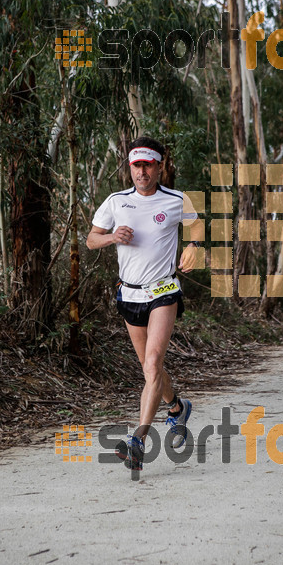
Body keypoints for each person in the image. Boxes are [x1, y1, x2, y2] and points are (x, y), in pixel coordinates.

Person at [86, 136, 202, 472]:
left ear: (159, 166)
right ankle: (177, 408)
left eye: (148, 164)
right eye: (136, 165)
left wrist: (193, 244)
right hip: (130, 293)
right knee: (150, 369)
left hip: (163, 290)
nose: (142, 171)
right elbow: (92, 239)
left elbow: (196, 222)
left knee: (152, 364)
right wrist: (111, 237)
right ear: (129, 167)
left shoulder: (176, 199)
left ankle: (138, 441)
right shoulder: (116, 201)